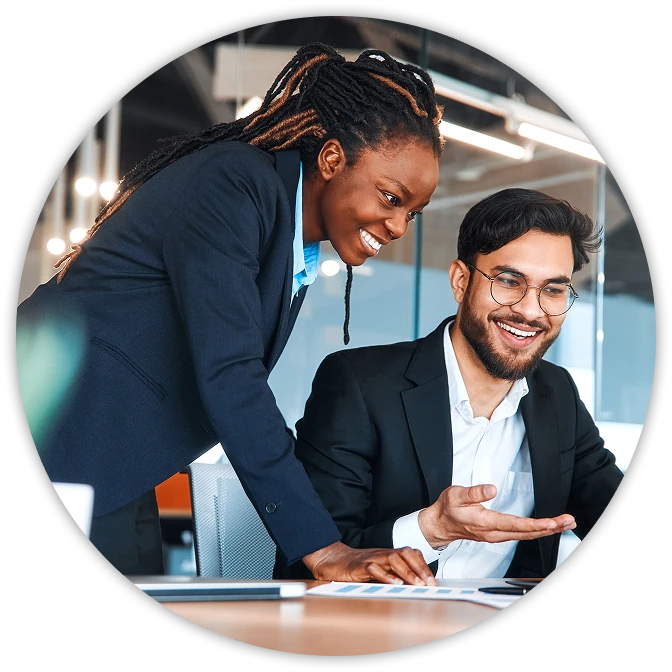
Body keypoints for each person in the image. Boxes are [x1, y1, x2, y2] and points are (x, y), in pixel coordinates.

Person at [15, 42, 445, 585]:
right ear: (333, 159)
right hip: (57, 437)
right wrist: (324, 547)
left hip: (123, 466)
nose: (399, 226)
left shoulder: (291, 239)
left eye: (413, 212)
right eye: (390, 197)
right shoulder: (233, 185)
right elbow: (231, 376)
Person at [274, 188, 624, 581]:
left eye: (554, 290)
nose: (530, 310)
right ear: (461, 281)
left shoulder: (555, 393)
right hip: (377, 633)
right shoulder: (359, 383)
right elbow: (308, 556)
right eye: (509, 281)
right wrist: (430, 528)